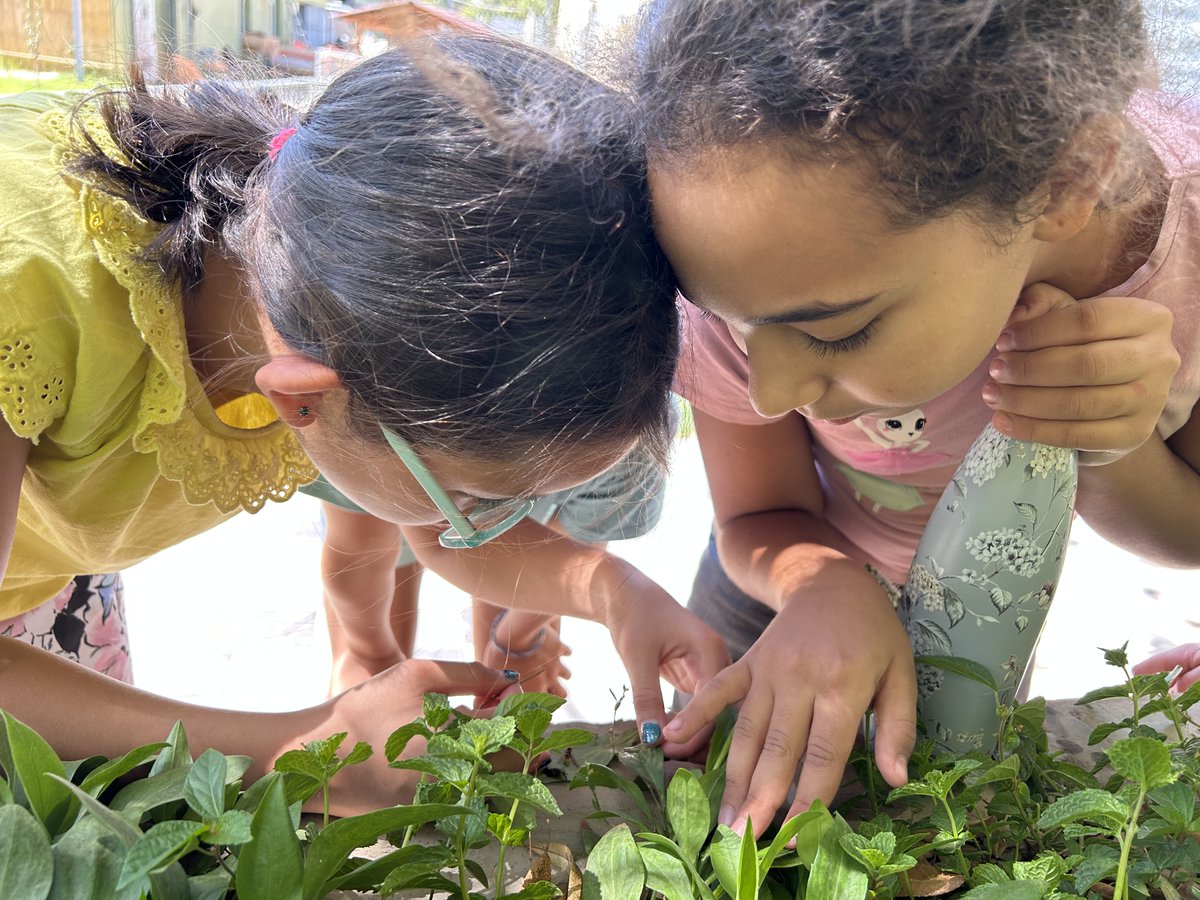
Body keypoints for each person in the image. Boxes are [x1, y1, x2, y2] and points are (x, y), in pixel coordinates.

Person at [0, 34, 729, 817]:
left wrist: (614, 590)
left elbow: (426, 530)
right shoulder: (29, 297)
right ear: (302, 399)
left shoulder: (324, 271)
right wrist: (308, 753)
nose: (486, 526)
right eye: (472, 499)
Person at [633, 0, 1199, 837]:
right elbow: (753, 514)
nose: (769, 391)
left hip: (984, 606)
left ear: (1067, 180)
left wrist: (1112, 444)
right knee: (723, 815)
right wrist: (822, 583)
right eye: (733, 325)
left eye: (836, 330)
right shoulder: (745, 243)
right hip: (780, 593)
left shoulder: (1183, 262)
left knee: (939, 808)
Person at [312, 436, 670, 698]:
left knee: (509, 682)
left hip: (448, 458)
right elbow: (357, 552)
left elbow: (552, 564)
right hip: (380, 460)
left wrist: (518, 636)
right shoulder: (356, 431)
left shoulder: (629, 451)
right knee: (373, 676)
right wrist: (369, 654)